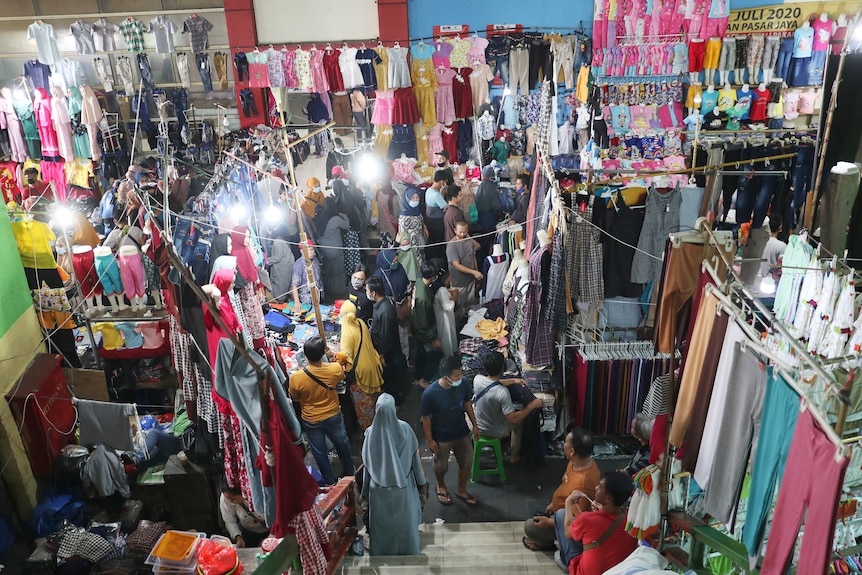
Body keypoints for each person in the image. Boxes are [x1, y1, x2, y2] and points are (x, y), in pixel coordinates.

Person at [361, 393, 428, 555]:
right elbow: (415, 463)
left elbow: (367, 467)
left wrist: (364, 492)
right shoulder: (405, 429)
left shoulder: (370, 433)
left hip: (378, 489)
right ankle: (409, 548)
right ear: (394, 409)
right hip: (404, 487)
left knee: (382, 524)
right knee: (405, 521)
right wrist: (421, 484)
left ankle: (382, 550)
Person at [288, 336, 356, 485]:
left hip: (311, 419)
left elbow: (295, 396)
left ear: (305, 356)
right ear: (323, 354)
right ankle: (350, 473)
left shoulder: (297, 378)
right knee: (342, 443)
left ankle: (329, 480)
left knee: (319, 450)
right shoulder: (335, 369)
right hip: (332, 414)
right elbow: (339, 379)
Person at [523, 428, 601, 552]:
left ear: (572, 451)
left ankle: (546, 544)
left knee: (530, 527)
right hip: (559, 511)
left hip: (567, 522)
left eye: (565, 442)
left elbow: (577, 522)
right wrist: (553, 504)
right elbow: (565, 483)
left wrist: (549, 523)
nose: (562, 445)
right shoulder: (578, 462)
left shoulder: (583, 484)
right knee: (536, 519)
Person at [419, 355, 480, 506]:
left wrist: (475, 425)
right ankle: (441, 486)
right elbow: (425, 418)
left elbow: (467, 403)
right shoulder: (430, 394)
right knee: (441, 466)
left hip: (462, 432)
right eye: (456, 375)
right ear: (445, 377)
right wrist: (430, 440)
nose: (460, 377)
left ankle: (461, 489)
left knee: (467, 462)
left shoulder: (463, 384)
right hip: (442, 437)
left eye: (460, 374)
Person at [558, 471, 637, 574]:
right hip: (617, 571)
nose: (596, 488)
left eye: (599, 487)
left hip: (585, 572)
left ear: (608, 499)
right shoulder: (630, 520)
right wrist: (602, 510)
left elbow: (568, 532)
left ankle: (567, 563)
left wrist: (568, 502)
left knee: (560, 515)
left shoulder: (587, 518)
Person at [472, 351, 543, 463]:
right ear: (502, 368)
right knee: (518, 422)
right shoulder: (502, 393)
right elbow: (513, 418)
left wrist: (513, 380)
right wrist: (532, 405)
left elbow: (493, 383)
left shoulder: (477, 379)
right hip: (492, 431)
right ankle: (514, 456)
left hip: (476, 425)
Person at [339, 300, 383, 430]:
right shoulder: (361, 323)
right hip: (373, 365)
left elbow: (346, 357)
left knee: (364, 406)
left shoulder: (347, 332)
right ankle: (378, 423)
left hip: (360, 374)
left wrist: (335, 356)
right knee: (374, 401)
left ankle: (369, 430)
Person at [366, 277, 407, 403]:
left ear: (374, 293)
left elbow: (385, 335)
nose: (366, 293)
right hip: (386, 349)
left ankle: (396, 401)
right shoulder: (381, 304)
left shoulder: (385, 311)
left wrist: (382, 354)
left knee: (390, 377)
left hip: (389, 352)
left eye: (367, 290)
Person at [412, 261, 442, 389]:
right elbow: (424, 323)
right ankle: (425, 379)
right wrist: (434, 338)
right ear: (433, 276)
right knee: (434, 355)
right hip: (423, 331)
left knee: (421, 354)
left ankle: (417, 377)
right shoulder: (423, 297)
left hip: (416, 326)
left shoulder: (419, 282)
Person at [447, 220, 483, 313]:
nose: (463, 234)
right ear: (455, 230)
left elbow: (473, 257)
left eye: (465, 232)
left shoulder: (469, 242)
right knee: (459, 308)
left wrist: (476, 274)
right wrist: (474, 272)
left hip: (470, 281)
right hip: (459, 282)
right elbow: (456, 265)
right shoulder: (452, 245)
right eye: (460, 232)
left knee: (470, 306)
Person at [219, 484, 270, 548]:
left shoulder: (262, 493)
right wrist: (237, 537)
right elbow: (229, 519)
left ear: (243, 492)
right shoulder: (226, 497)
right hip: (246, 531)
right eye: (229, 499)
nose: (231, 502)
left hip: (270, 530)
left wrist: (270, 537)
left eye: (234, 499)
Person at [318, 211, 350, 300]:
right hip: (335, 249)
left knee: (327, 270)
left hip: (323, 249)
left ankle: (328, 290)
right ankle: (338, 291)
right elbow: (346, 225)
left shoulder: (320, 217)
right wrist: (344, 215)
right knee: (337, 271)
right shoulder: (335, 219)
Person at [432, 263, 458, 357]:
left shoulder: (439, 288)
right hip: (445, 321)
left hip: (443, 319)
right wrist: (455, 294)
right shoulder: (441, 290)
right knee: (448, 342)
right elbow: (449, 307)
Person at [291, 240, 323, 311]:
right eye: (310, 250)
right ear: (302, 251)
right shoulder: (299, 265)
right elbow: (294, 285)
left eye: (313, 249)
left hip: (317, 295)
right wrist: (297, 302)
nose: (313, 252)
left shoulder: (315, 260)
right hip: (306, 299)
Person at [425, 171, 449, 260]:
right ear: (442, 182)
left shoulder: (429, 190)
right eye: (445, 182)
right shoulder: (436, 194)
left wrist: (442, 193)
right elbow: (446, 208)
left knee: (433, 241)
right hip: (437, 223)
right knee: (439, 242)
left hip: (430, 220)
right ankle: (439, 260)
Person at [398, 187, 427, 254]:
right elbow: (402, 233)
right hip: (410, 245)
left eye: (417, 197)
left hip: (419, 242)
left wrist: (424, 227)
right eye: (413, 198)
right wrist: (405, 246)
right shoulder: (404, 216)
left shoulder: (418, 211)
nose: (415, 200)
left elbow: (420, 221)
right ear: (407, 199)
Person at [267, 235, 295, 303]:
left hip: (282, 269)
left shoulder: (277, 242)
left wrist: (266, 260)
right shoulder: (281, 240)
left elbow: (277, 257)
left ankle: (281, 305)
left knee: (280, 292)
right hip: (286, 267)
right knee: (286, 288)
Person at [760, 216, 787, 280]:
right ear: (780, 227)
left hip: (755, 277)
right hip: (770, 279)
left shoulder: (758, 241)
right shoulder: (782, 246)